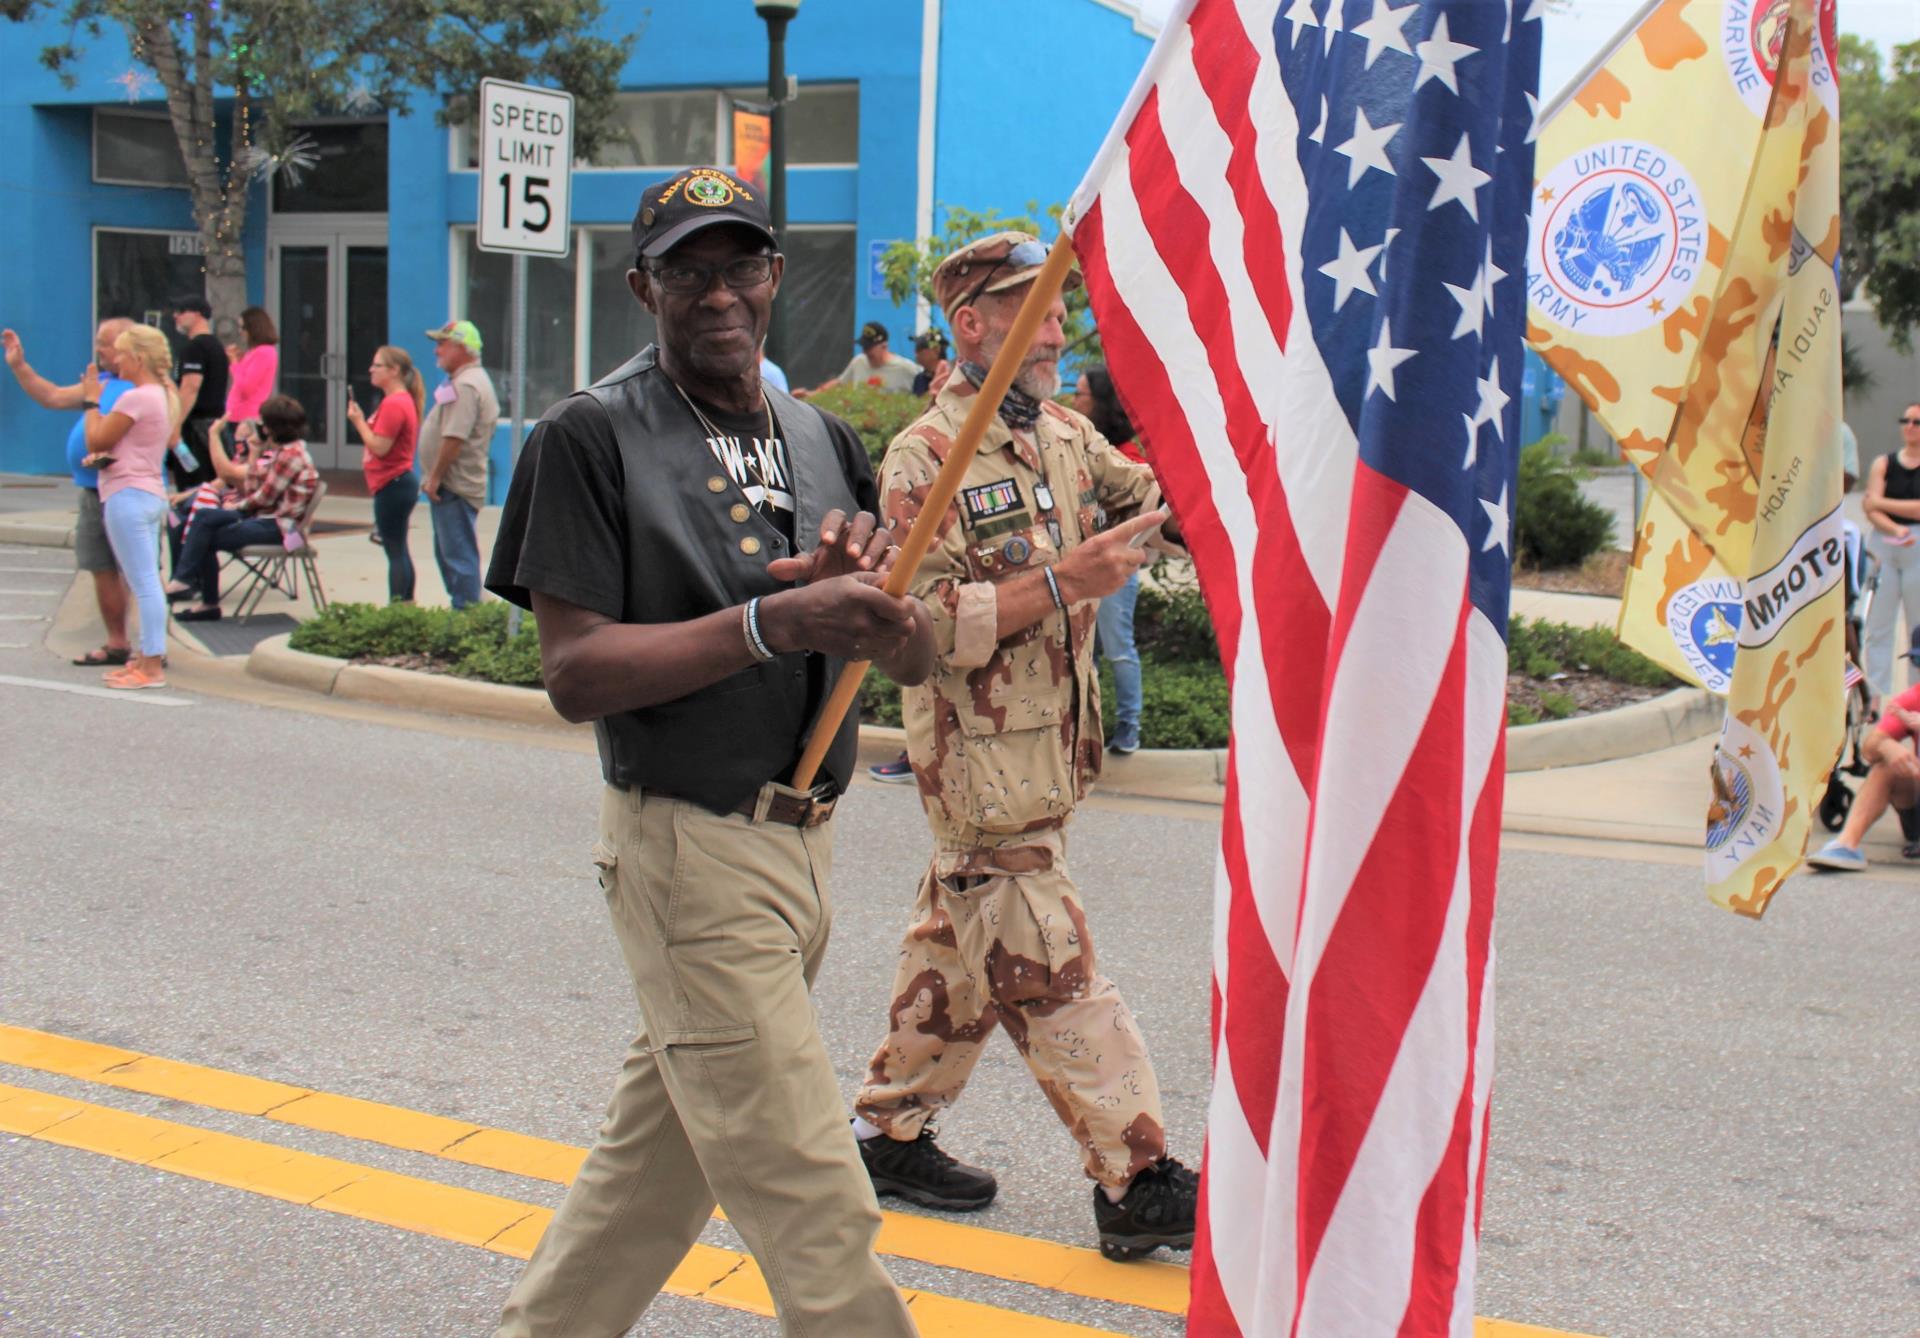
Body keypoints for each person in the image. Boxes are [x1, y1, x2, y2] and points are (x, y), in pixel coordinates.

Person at [484, 165, 933, 1338]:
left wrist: (873, 607)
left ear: (776, 277)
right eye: (688, 269)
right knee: (813, 1200)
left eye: (740, 265)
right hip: (692, 855)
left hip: (806, 853)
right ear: (644, 286)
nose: (718, 292)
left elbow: (910, 655)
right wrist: (769, 623)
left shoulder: (821, 435)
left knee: (655, 1176)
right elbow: (575, 673)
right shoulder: (590, 437)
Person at [849, 231, 1197, 1262]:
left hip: (1046, 753)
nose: (1056, 328)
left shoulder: (1059, 433)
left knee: (956, 941)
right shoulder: (925, 457)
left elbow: (1147, 506)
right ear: (973, 324)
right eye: (1034, 309)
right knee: (1050, 968)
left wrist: (1218, 503)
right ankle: (1135, 1178)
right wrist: (1059, 583)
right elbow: (912, 625)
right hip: (979, 763)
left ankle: (887, 1134)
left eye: (1055, 309)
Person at [3, 319, 136, 667]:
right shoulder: (102, 383)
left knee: (135, 569)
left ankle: (148, 645)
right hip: (92, 490)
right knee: (101, 567)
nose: (98, 351)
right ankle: (118, 642)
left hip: (124, 489)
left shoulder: (143, 387)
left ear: (125, 347)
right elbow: (51, 396)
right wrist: (20, 366)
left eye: (103, 344)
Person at [78, 324, 178, 689]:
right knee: (146, 579)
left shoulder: (137, 397)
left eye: (120, 353)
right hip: (148, 491)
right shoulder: (162, 395)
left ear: (138, 357)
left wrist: (92, 400)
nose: (115, 359)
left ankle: (151, 666)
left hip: (128, 495)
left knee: (144, 583)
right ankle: (144, 657)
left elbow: (97, 436)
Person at [166, 395, 319, 622]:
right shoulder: (286, 452)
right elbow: (255, 488)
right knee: (204, 517)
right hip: (270, 521)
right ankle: (187, 582)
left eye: (264, 424)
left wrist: (236, 508)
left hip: (285, 532)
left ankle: (197, 592)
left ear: (272, 428)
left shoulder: (290, 456)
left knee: (205, 529)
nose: (261, 428)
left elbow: (264, 498)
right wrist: (255, 452)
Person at [1076, 364, 1148, 754]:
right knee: (1085, 651)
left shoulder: (1125, 455)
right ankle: (1089, 728)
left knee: (1118, 648)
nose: (1073, 400)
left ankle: (1128, 727)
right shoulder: (1078, 444)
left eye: (1081, 393)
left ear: (1100, 402)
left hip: (1115, 571)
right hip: (1079, 569)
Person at [1809, 628, 1920, 871]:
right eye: (1918, 660)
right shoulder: (1913, 698)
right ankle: (1846, 845)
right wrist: (1889, 747)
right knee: (1886, 766)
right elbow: (1869, 749)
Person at [418, 319, 498, 609]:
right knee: (450, 553)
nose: (437, 351)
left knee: (457, 556)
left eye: (443, 344)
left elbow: (454, 437)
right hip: (452, 486)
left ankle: (466, 615)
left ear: (463, 348)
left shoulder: (466, 385)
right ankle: (465, 609)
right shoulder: (462, 381)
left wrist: (435, 477)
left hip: (454, 486)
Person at [347, 345, 424, 603]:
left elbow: (381, 446)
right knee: (398, 546)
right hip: (395, 483)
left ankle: (399, 605)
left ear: (394, 371)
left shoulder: (395, 403)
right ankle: (406, 604)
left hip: (394, 483)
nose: (371, 370)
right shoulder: (399, 400)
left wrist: (358, 422)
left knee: (395, 549)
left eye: (377, 365)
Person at [1861, 402, 1920, 697]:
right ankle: (1875, 696)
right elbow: (1869, 510)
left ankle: (1915, 697)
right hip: (1886, 541)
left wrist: (1880, 503)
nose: (1909, 426)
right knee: (1878, 625)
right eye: (1905, 420)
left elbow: (1877, 503)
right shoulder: (1883, 463)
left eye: (1916, 422)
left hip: (1917, 546)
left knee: (1917, 628)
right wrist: (1895, 527)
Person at [168, 295, 229, 489]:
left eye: (181, 311)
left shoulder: (196, 348)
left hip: (196, 426)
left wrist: (175, 425)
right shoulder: (215, 346)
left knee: (193, 484)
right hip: (212, 426)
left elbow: (190, 388)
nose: (175, 316)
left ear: (198, 314)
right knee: (210, 483)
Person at [800, 320, 920, 397]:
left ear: (884, 346)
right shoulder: (859, 362)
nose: (865, 351)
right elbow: (839, 383)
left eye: (869, 347)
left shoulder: (905, 368)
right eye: (864, 347)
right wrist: (810, 394)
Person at [224, 306, 280, 425]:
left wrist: (234, 363)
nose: (240, 331)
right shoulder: (255, 352)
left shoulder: (263, 352)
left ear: (254, 328)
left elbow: (245, 387)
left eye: (243, 327)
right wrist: (241, 361)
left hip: (246, 417)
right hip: (237, 416)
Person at [911, 327, 950, 396]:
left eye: (919, 348)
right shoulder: (919, 378)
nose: (916, 353)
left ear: (936, 350)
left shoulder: (951, 376)